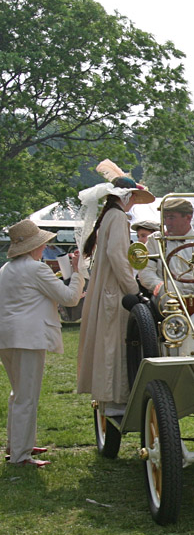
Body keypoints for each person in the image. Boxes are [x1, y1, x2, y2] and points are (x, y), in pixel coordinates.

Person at [0, 220, 85, 467]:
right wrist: (78, 271)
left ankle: (18, 445)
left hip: (7, 337)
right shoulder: (36, 269)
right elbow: (70, 299)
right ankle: (20, 456)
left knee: (18, 394)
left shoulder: (6, 268)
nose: (44, 247)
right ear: (33, 247)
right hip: (27, 338)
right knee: (26, 396)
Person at [77, 173, 155, 413]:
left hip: (107, 286)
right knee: (115, 342)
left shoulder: (109, 216)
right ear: (128, 196)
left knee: (109, 341)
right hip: (114, 289)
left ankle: (111, 398)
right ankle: (114, 398)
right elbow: (118, 256)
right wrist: (133, 289)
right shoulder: (119, 217)